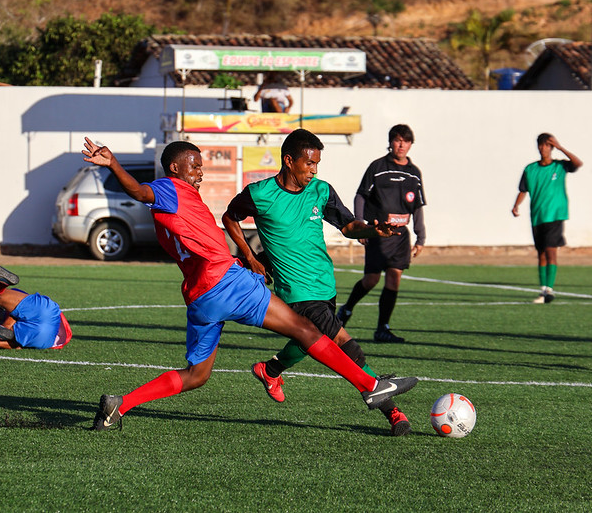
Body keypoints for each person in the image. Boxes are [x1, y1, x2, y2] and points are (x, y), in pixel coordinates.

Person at [82, 137, 418, 431]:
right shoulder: (170, 188)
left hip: (201, 295)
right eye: (195, 166)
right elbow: (141, 191)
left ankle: (120, 405)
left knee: (197, 375)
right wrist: (113, 163)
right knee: (307, 330)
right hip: (228, 282)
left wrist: (244, 257)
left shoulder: (177, 199)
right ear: (175, 167)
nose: (201, 172)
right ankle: (371, 385)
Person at [222, 128, 412, 436]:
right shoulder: (260, 194)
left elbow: (349, 226)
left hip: (324, 284)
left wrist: (374, 230)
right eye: (309, 163)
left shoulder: (321, 191)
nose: (314, 170)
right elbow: (230, 217)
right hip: (295, 291)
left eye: (317, 163)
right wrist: (250, 257)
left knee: (308, 340)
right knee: (347, 347)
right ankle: (389, 407)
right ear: (288, 161)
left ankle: (270, 370)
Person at [336, 124, 426, 344]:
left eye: (406, 141)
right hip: (379, 232)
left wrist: (420, 237)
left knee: (394, 279)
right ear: (390, 142)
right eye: (397, 140)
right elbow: (360, 196)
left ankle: (382, 328)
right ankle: (346, 310)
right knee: (371, 280)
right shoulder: (378, 167)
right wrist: (359, 225)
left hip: (401, 236)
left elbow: (418, 207)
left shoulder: (414, 173)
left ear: (411, 144)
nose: (401, 145)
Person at [512, 133, 582, 304]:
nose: (544, 148)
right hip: (538, 216)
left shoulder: (560, 166)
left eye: (547, 145)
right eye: (542, 145)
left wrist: (560, 147)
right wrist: (516, 205)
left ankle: (550, 290)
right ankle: (543, 290)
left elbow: (578, 163)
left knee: (551, 251)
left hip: (555, 215)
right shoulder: (530, 169)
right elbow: (524, 189)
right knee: (541, 254)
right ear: (538, 147)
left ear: (551, 147)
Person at [0, 264, 72, 350]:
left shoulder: (9, 316)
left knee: (6, 335)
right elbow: (8, 345)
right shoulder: (15, 301)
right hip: (46, 320)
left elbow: (12, 345)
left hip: (41, 334)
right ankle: (0, 283)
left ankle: (8, 334)